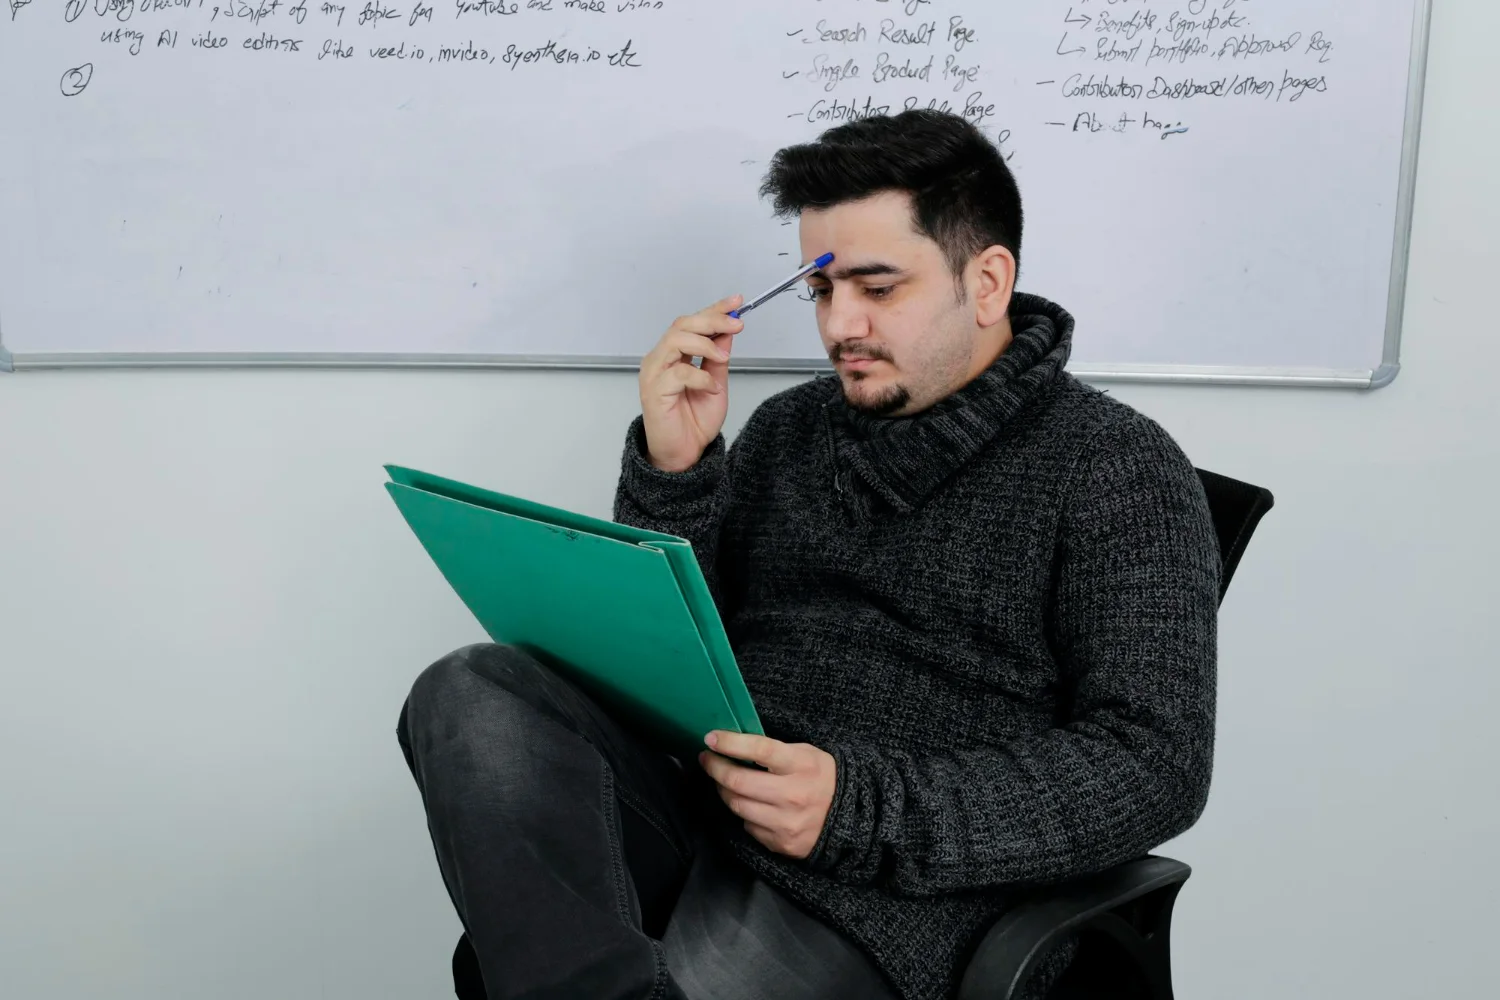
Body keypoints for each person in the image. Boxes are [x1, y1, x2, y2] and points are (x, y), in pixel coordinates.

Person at [397, 109, 1220, 1000]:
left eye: (878, 287)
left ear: (986, 282)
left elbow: (1154, 766)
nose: (839, 327)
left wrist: (855, 812)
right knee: (469, 690)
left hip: (896, 893)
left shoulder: (1117, 467)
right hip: (713, 811)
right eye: (824, 291)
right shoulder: (792, 429)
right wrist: (678, 469)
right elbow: (678, 661)